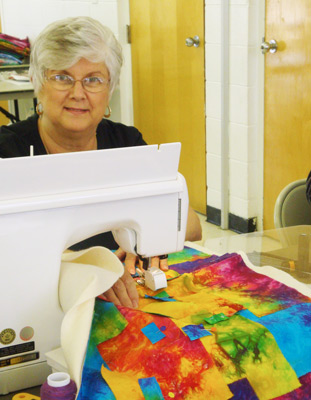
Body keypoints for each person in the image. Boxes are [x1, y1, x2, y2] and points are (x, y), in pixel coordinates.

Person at [0, 16, 202, 308]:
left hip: (117, 303)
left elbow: (192, 226)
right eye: (61, 77)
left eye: (94, 79)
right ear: (37, 83)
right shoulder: (8, 152)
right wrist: (82, 266)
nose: (78, 93)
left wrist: (145, 247)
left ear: (110, 88)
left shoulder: (126, 143)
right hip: (32, 305)